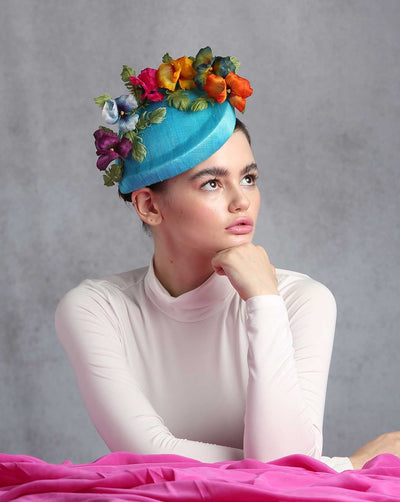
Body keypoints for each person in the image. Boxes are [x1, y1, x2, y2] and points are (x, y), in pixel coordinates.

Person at [55, 46, 400, 472]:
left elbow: (280, 472)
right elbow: (150, 457)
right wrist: (342, 464)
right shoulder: (96, 309)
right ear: (148, 206)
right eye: (212, 184)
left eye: (249, 178)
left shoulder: (300, 300)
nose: (243, 202)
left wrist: (264, 303)